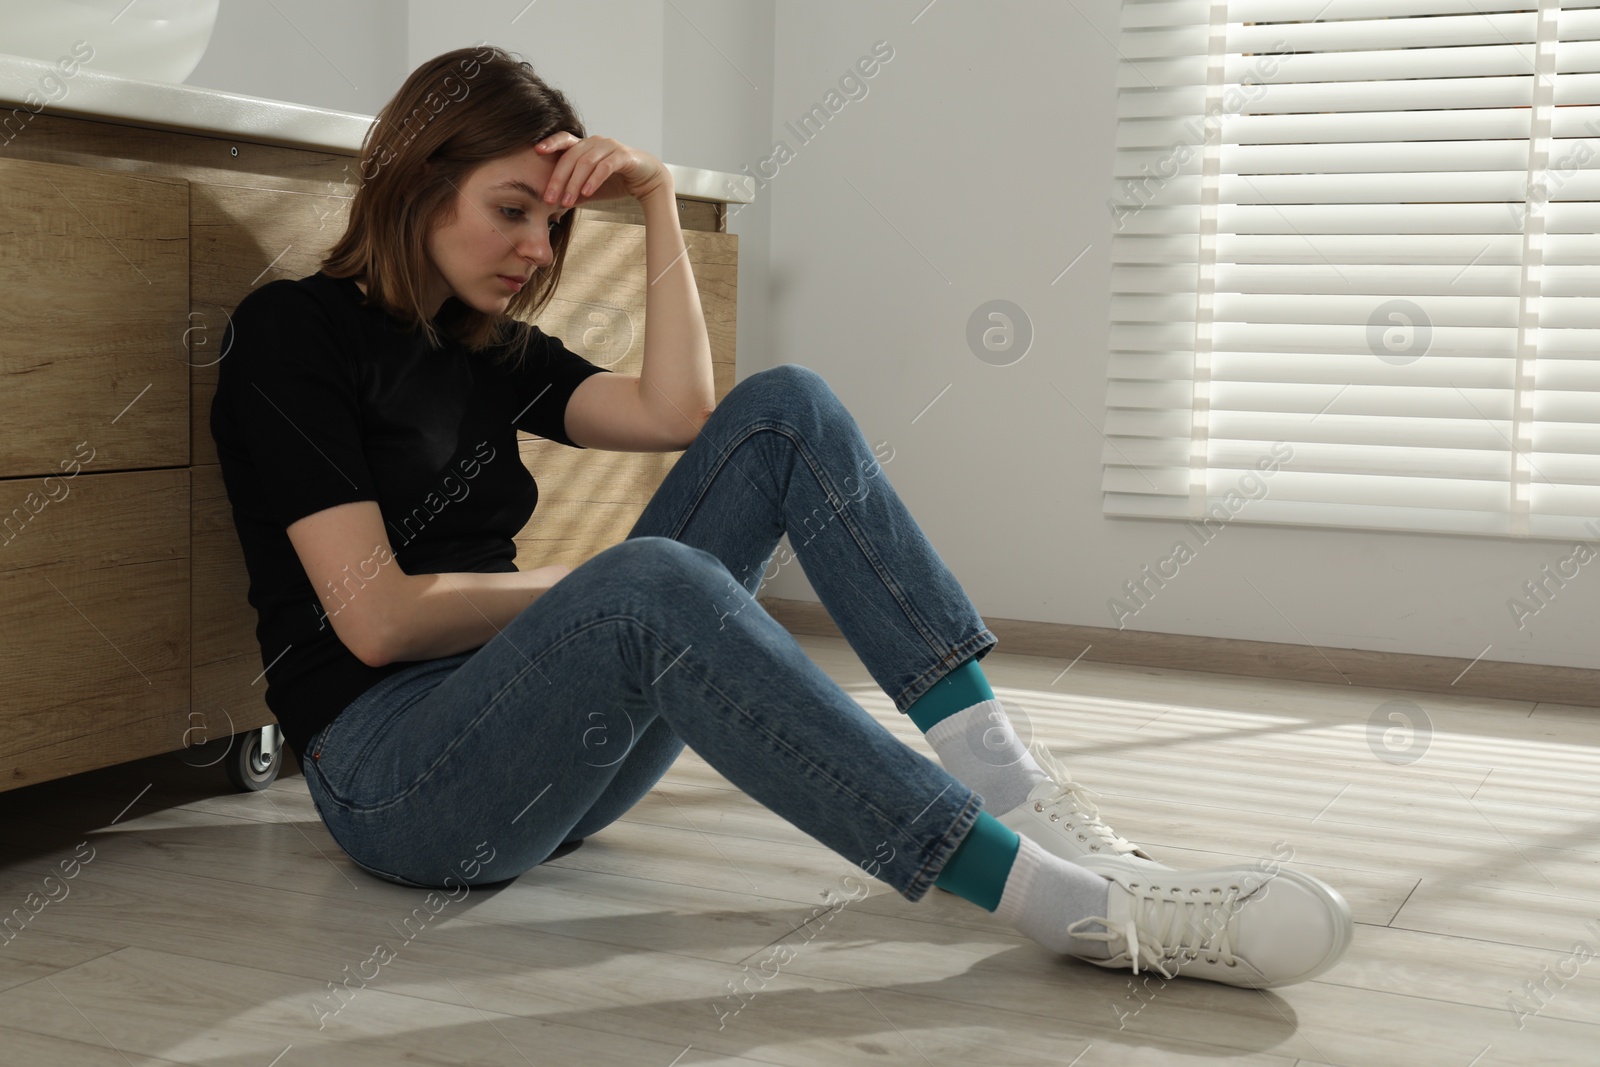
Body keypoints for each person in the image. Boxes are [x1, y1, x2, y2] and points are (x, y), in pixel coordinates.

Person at [209, 43, 1353, 990]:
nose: (536, 250)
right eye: (513, 212)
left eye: (552, 224)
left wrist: (654, 199)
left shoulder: (481, 342)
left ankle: (1011, 781)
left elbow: (684, 411)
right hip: (397, 782)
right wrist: (613, 587)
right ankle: (1059, 903)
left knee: (783, 407)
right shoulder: (292, 335)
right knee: (649, 576)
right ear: (414, 185)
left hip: (545, 753)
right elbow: (377, 622)